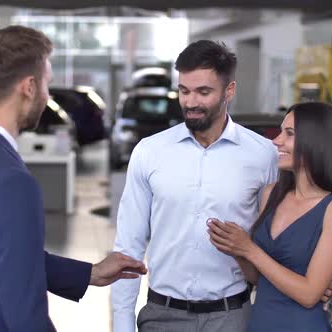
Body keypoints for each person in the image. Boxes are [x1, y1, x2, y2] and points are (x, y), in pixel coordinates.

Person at [0, 26, 146, 332]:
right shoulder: (12, 182)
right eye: (46, 84)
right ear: (28, 86)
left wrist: (89, 273)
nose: (47, 94)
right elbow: (26, 315)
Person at [111, 40, 278, 332]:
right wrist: (123, 322)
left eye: (203, 92)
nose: (190, 102)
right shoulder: (149, 152)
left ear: (229, 91)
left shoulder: (262, 155)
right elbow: (129, 245)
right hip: (162, 316)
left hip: (233, 317)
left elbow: (276, 242)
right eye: (184, 91)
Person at [207, 102, 332, 332]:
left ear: (315, 141)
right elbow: (260, 278)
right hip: (260, 323)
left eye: (289, 133)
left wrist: (249, 250)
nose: (276, 141)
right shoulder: (271, 193)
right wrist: (235, 249)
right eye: (280, 132)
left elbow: (309, 294)